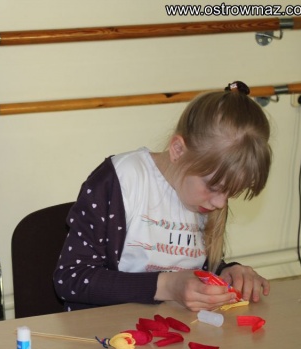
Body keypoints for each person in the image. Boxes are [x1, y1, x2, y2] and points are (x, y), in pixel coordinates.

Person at [54, 81, 272, 312]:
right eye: (214, 187)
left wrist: (226, 272)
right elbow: (71, 280)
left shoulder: (207, 197)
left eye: (232, 192)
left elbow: (197, 267)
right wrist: (167, 286)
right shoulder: (122, 179)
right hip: (106, 327)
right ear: (178, 150)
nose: (220, 203)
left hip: (173, 325)